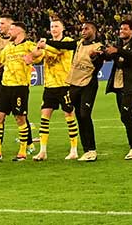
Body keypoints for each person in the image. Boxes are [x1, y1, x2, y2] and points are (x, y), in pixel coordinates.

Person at [0, 21, 43, 163]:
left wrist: (32, 55)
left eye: (11, 29)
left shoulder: (28, 45)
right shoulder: (8, 47)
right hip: (5, 86)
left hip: (20, 87)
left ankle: (23, 151)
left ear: (20, 31)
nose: (8, 32)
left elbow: (39, 52)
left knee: (20, 118)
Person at [39, 21, 103, 161]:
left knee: (85, 115)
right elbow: (63, 45)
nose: (83, 31)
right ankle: (86, 150)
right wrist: (48, 42)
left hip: (88, 84)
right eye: (82, 28)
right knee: (79, 116)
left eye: (86, 29)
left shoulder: (99, 46)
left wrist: (95, 57)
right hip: (74, 84)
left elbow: (99, 65)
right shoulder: (79, 43)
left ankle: (91, 150)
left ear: (94, 30)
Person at [33, 17, 80, 161]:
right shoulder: (46, 44)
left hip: (65, 84)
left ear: (62, 28)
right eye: (52, 26)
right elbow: (37, 58)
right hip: (49, 86)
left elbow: (58, 49)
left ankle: (74, 150)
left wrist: (44, 45)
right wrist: (34, 51)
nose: (53, 29)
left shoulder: (66, 42)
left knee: (69, 116)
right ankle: (42, 151)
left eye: (56, 26)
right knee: (44, 118)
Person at [103, 20, 132, 159]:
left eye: (125, 29)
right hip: (119, 85)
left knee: (126, 114)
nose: (121, 31)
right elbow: (111, 55)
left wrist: (117, 51)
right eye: (120, 28)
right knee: (126, 115)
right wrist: (101, 53)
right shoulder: (119, 43)